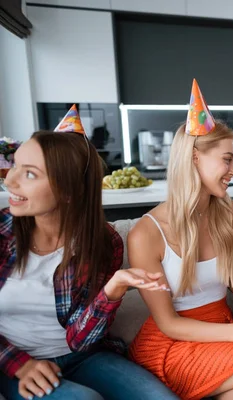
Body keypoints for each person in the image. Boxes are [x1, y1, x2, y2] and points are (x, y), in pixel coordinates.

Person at [127, 80, 233, 400]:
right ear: (194, 158)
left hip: (222, 332)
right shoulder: (146, 234)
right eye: (227, 160)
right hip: (173, 345)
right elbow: (169, 324)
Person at [0, 106, 177, 400]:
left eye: (29, 174)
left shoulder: (104, 243)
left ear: (69, 191)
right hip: (13, 364)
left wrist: (112, 290)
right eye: (15, 166)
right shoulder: (3, 232)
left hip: (81, 357)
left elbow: (80, 341)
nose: (10, 181)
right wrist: (19, 364)